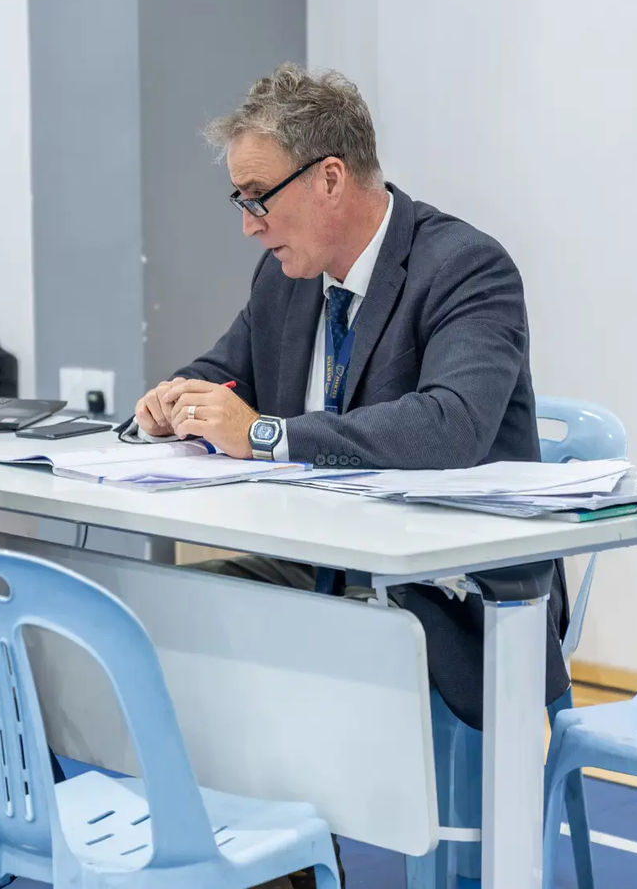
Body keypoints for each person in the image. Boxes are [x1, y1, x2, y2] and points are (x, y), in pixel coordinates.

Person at [133, 63, 569, 735]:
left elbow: (451, 424)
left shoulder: (465, 267)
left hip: (449, 588)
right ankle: (235, 805)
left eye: (258, 198)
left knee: (278, 659)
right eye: (241, 201)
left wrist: (266, 435)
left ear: (329, 179)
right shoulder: (285, 276)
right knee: (168, 614)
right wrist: (175, 402)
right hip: (322, 562)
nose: (249, 225)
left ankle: (289, 802)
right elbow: (226, 373)